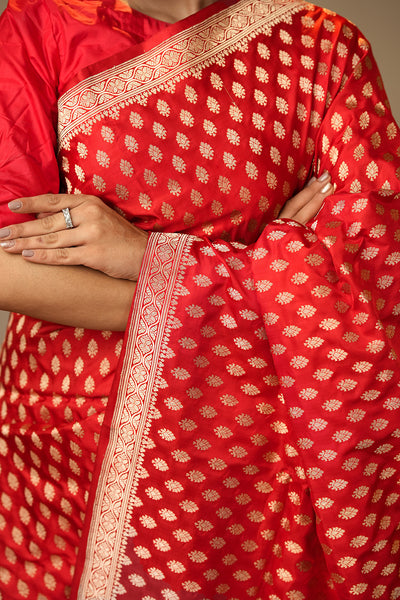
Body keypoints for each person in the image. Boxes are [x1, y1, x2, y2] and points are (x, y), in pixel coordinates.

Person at [0, 0, 399, 598]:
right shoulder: (42, 28)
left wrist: (146, 258)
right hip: (74, 440)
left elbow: (373, 277)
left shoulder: (322, 45)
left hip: (251, 452)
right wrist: (253, 283)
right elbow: (7, 265)